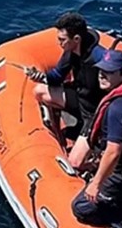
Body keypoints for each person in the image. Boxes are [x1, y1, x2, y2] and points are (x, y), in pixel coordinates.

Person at [70, 49, 122, 228]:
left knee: (80, 208)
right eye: (101, 70)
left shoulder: (119, 108)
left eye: (109, 72)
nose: (101, 75)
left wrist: (96, 183)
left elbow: (113, 152)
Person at [27, 12, 105, 147]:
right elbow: (57, 75)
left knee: (76, 161)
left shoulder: (99, 57)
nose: (59, 43)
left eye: (62, 39)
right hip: (79, 97)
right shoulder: (70, 52)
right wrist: (41, 77)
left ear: (76, 39)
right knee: (40, 91)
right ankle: (57, 137)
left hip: (95, 109)